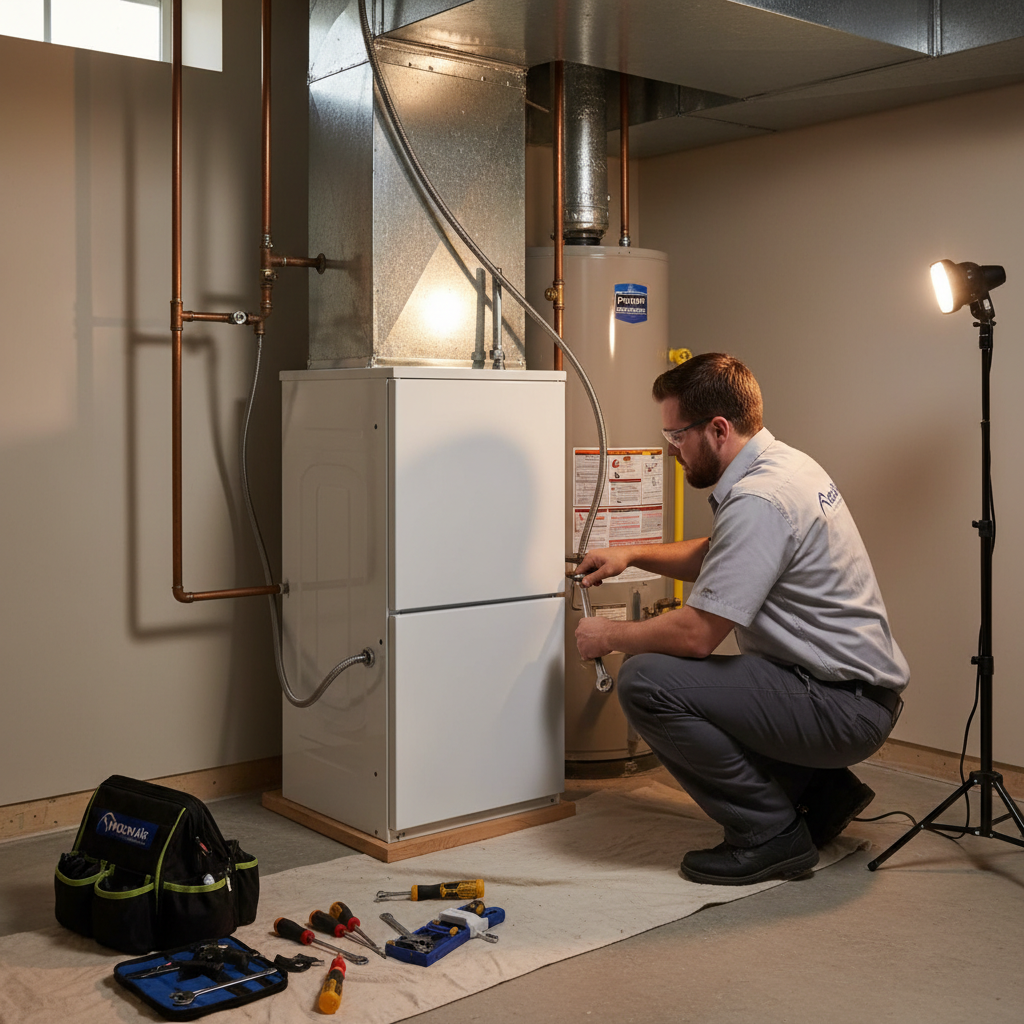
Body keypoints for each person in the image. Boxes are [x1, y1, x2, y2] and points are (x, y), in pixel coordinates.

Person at [575, 353, 909, 885]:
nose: (673, 451)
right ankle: (820, 793)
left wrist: (607, 635)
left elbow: (696, 636)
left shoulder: (760, 499)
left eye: (676, 437)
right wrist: (633, 554)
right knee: (701, 684)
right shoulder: (786, 465)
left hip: (841, 705)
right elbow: (723, 550)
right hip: (851, 692)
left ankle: (771, 836)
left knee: (647, 680)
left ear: (719, 429)